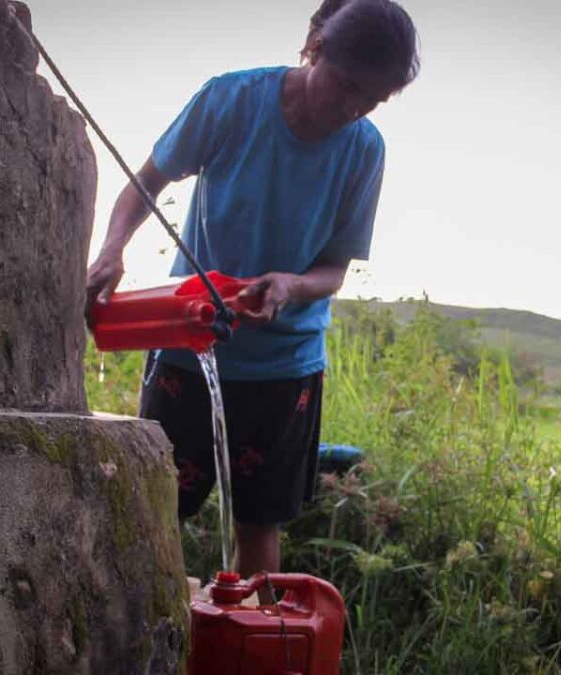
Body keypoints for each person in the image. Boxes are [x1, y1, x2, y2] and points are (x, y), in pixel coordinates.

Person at [85, 0, 419, 578]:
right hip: (190, 343)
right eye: (346, 85)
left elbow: (333, 269)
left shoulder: (365, 150)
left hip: (284, 366)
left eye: (373, 99)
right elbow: (146, 181)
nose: (353, 107)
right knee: (152, 507)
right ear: (315, 48)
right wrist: (111, 251)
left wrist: (290, 286)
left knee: (259, 523)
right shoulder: (232, 100)